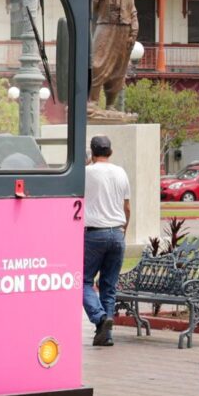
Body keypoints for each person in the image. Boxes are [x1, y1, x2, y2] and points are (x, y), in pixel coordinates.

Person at [81, 134, 130, 346]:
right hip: (117, 232)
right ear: (110, 151)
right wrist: (124, 229)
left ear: (92, 152)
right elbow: (127, 207)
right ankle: (105, 335)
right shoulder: (121, 172)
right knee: (109, 285)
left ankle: (100, 318)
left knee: (82, 281)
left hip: (94, 234)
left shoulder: (86, 172)